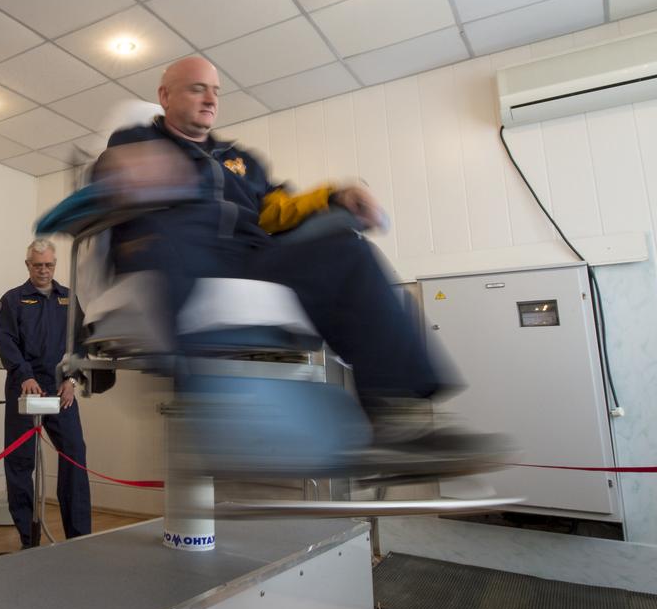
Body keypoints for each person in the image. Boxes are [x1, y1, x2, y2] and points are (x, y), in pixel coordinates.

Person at [97, 57, 488, 454]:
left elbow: (278, 210)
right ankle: (192, 386)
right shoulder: (135, 140)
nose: (211, 99)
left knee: (348, 252)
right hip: (177, 253)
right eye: (198, 88)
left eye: (216, 91)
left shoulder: (240, 159)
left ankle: (397, 414)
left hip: (250, 259)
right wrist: (132, 174)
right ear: (165, 96)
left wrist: (335, 196)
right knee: (170, 227)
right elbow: (109, 177)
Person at [0, 240, 91, 547]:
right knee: (21, 463)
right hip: (25, 389)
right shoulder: (13, 300)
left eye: (49, 265)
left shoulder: (68, 299)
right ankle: (28, 539)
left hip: (60, 390)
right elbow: (7, 342)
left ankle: (78, 538)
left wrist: (71, 381)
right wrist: (24, 376)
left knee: (74, 455)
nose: (44, 271)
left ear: (55, 265)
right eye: (38, 265)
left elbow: (81, 344)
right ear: (28, 266)